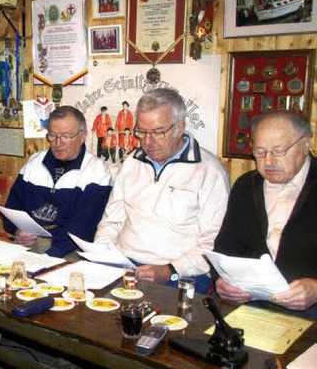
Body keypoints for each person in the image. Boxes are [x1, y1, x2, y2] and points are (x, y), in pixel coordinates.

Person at [94, 88, 230, 294]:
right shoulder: (132, 162)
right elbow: (111, 220)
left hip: (180, 273)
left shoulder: (209, 171)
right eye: (141, 132)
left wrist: (170, 270)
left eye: (158, 132)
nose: (148, 142)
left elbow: (212, 243)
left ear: (180, 127)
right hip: (125, 263)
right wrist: (103, 254)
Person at [213, 110, 317, 319]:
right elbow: (225, 248)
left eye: (278, 151)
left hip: (310, 311)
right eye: (259, 152)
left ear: (305, 144)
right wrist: (221, 282)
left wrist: (316, 289)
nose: (268, 161)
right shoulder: (245, 186)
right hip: (250, 305)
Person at [4, 105, 114, 258]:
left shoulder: (97, 171)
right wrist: (17, 231)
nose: (58, 142)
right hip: (28, 243)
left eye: (66, 136)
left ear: (82, 136)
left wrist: (47, 258)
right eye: (53, 135)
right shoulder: (34, 163)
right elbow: (12, 209)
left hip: (70, 249)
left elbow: (83, 229)